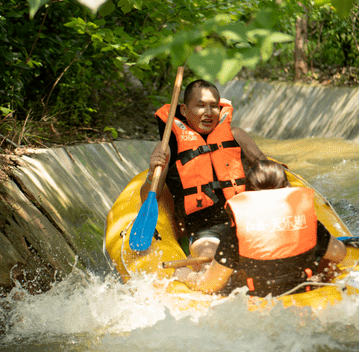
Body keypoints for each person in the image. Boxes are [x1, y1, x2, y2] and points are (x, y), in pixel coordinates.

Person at [139, 79, 267, 268]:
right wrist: (152, 172)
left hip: (250, 220)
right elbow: (148, 196)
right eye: (200, 106)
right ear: (183, 110)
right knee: (213, 262)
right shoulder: (168, 148)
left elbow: (269, 173)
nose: (208, 113)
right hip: (207, 230)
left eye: (214, 106)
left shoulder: (236, 135)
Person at [175, 159, 346, 297]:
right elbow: (340, 254)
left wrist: (185, 275)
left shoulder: (236, 233)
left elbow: (209, 285)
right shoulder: (306, 221)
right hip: (306, 296)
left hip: (259, 306)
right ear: (286, 188)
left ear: (248, 192)